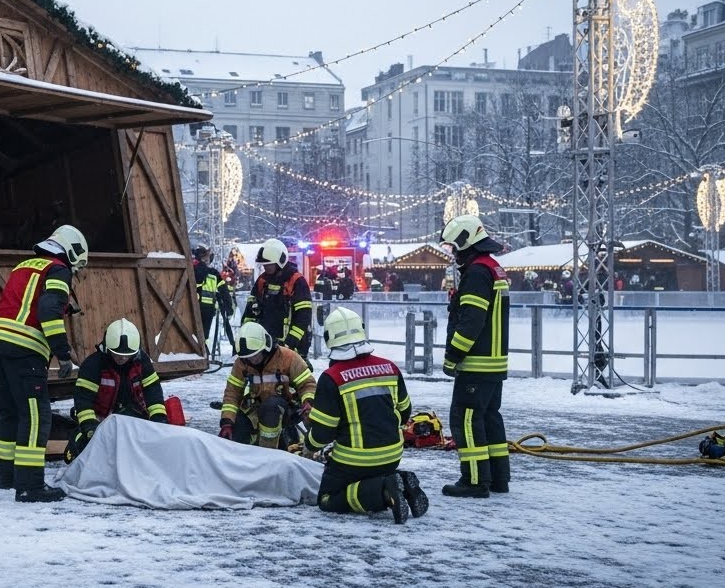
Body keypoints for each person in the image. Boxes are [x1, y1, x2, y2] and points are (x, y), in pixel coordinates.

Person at [0, 224, 88, 503]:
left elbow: (25, 304)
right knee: (36, 416)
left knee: (11, 413)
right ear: (72, 251)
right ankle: (30, 486)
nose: (75, 272)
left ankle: (7, 478)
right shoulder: (59, 270)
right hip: (25, 350)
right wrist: (63, 353)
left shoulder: (24, 266)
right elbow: (48, 311)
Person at [303, 307, 429, 522]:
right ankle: (401, 481)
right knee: (367, 478)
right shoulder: (389, 368)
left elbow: (323, 432)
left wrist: (309, 446)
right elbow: (405, 411)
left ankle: (384, 492)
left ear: (329, 338)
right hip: (392, 456)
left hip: (352, 461)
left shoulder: (331, 377)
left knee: (327, 498)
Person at [439, 214, 511, 498]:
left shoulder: (477, 273)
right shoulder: (493, 268)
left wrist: (453, 355)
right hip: (493, 364)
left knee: (466, 420)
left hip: (476, 364)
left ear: (465, 242)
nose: (454, 254)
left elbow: (471, 321)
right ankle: (498, 478)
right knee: (489, 418)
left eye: (454, 247)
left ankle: (475, 481)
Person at [64, 318, 168, 463]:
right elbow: (83, 400)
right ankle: (78, 440)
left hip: (132, 416)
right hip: (100, 420)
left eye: (127, 354)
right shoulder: (93, 365)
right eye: (117, 354)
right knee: (87, 451)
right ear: (107, 348)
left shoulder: (141, 361)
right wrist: (89, 426)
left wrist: (159, 418)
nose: (122, 358)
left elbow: (152, 390)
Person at [219, 322, 315, 449]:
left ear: (266, 347)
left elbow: (308, 384)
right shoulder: (242, 362)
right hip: (257, 408)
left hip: (287, 410)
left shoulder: (288, 357)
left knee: (270, 408)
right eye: (248, 357)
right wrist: (227, 422)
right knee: (238, 426)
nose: (252, 360)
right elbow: (233, 392)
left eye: (255, 355)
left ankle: (268, 452)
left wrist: (308, 401)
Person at [243, 238, 314, 359]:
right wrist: (246, 334)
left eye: (269, 264)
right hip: (265, 344)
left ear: (280, 262)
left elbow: (303, 317)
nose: (266, 267)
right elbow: (250, 311)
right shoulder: (262, 281)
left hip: (293, 346)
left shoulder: (296, 281)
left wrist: (290, 343)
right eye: (264, 264)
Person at [193, 245, 223, 352]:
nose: (208, 260)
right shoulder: (206, 271)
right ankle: (202, 351)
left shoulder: (194, 269)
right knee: (201, 335)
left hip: (203, 308)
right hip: (203, 309)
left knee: (201, 335)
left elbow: (221, 289)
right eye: (206, 258)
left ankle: (203, 351)